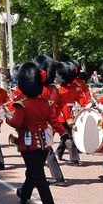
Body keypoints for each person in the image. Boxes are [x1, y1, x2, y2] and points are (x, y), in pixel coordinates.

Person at [5, 62, 66, 204]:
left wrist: (7, 118)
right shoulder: (46, 104)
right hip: (44, 143)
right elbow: (54, 122)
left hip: (28, 144)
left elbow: (17, 123)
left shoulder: (21, 105)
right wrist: (64, 134)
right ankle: (24, 194)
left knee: (37, 174)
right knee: (33, 171)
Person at [33, 55, 66, 186]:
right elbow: (58, 108)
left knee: (45, 151)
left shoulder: (39, 90)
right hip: (51, 122)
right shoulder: (55, 90)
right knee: (42, 151)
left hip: (39, 124)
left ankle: (57, 177)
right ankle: (36, 177)